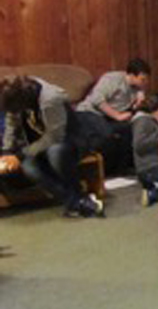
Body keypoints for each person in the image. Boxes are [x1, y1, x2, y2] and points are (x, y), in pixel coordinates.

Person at [0, 75, 104, 217]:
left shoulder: (50, 99)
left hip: (69, 141)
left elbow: (54, 137)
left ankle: (77, 200)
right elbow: (11, 125)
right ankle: (78, 201)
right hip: (38, 146)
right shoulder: (14, 94)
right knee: (29, 168)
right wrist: (7, 152)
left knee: (55, 152)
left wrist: (20, 155)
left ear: (23, 102)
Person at [75, 58, 151, 172]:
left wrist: (137, 104)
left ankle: (122, 168)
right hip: (89, 112)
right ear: (131, 75)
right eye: (142, 79)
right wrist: (117, 116)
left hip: (108, 117)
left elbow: (126, 109)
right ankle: (99, 170)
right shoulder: (113, 79)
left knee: (131, 129)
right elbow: (96, 99)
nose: (145, 83)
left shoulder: (138, 89)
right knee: (106, 134)